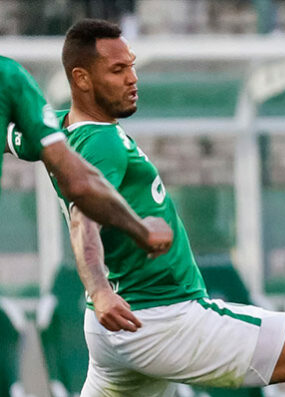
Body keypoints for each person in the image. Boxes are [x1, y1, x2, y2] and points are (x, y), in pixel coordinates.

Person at [1, 20, 285, 397]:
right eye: (117, 69)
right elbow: (84, 218)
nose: (131, 78)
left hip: (117, 328)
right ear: (81, 79)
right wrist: (99, 288)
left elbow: (19, 137)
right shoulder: (101, 142)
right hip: (164, 317)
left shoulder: (63, 131)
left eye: (132, 66)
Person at [1, 55, 172, 257]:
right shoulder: (9, 75)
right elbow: (80, 186)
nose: (131, 79)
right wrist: (142, 231)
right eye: (118, 70)